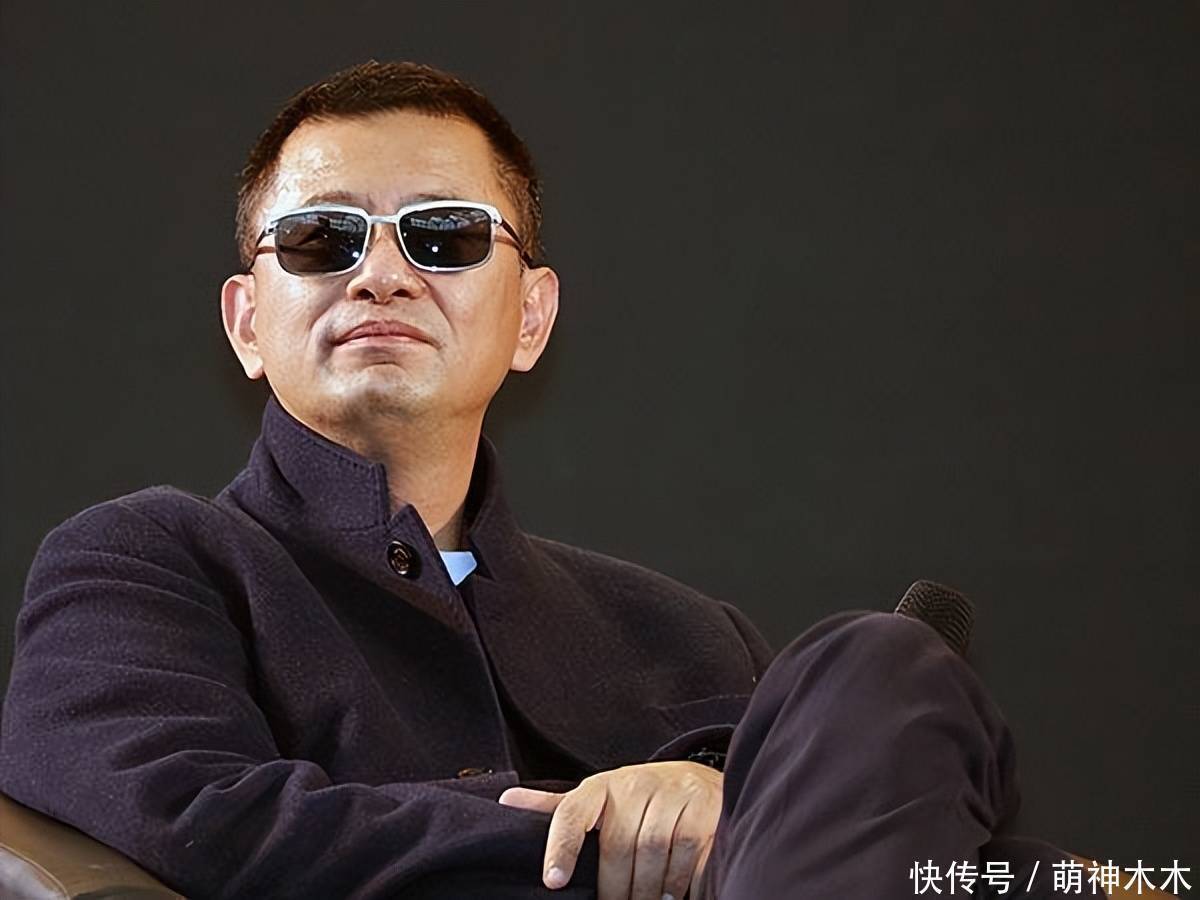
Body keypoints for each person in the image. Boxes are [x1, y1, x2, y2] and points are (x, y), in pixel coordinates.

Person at [0, 60, 1085, 900]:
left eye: (444, 236)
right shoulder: (145, 565)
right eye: (322, 239)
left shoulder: (689, 633)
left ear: (531, 318)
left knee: (875, 672)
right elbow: (202, 823)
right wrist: (627, 830)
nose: (381, 275)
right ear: (247, 322)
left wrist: (723, 800)